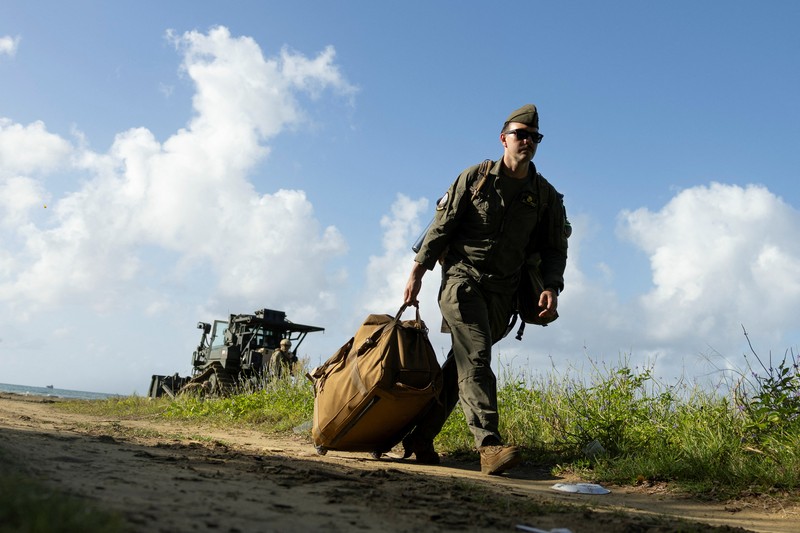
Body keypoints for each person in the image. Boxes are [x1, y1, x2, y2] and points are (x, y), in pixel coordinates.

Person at [402, 104, 569, 475]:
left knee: (460, 365)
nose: (527, 141)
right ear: (503, 139)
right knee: (476, 355)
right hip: (462, 281)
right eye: (520, 134)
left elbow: (556, 249)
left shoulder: (545, 197)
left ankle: (418, 436)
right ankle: (488, 445)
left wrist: (552, 287)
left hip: (503, 294)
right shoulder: (475, 178)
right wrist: (417, 271)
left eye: (534, 137)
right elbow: (441, 227)